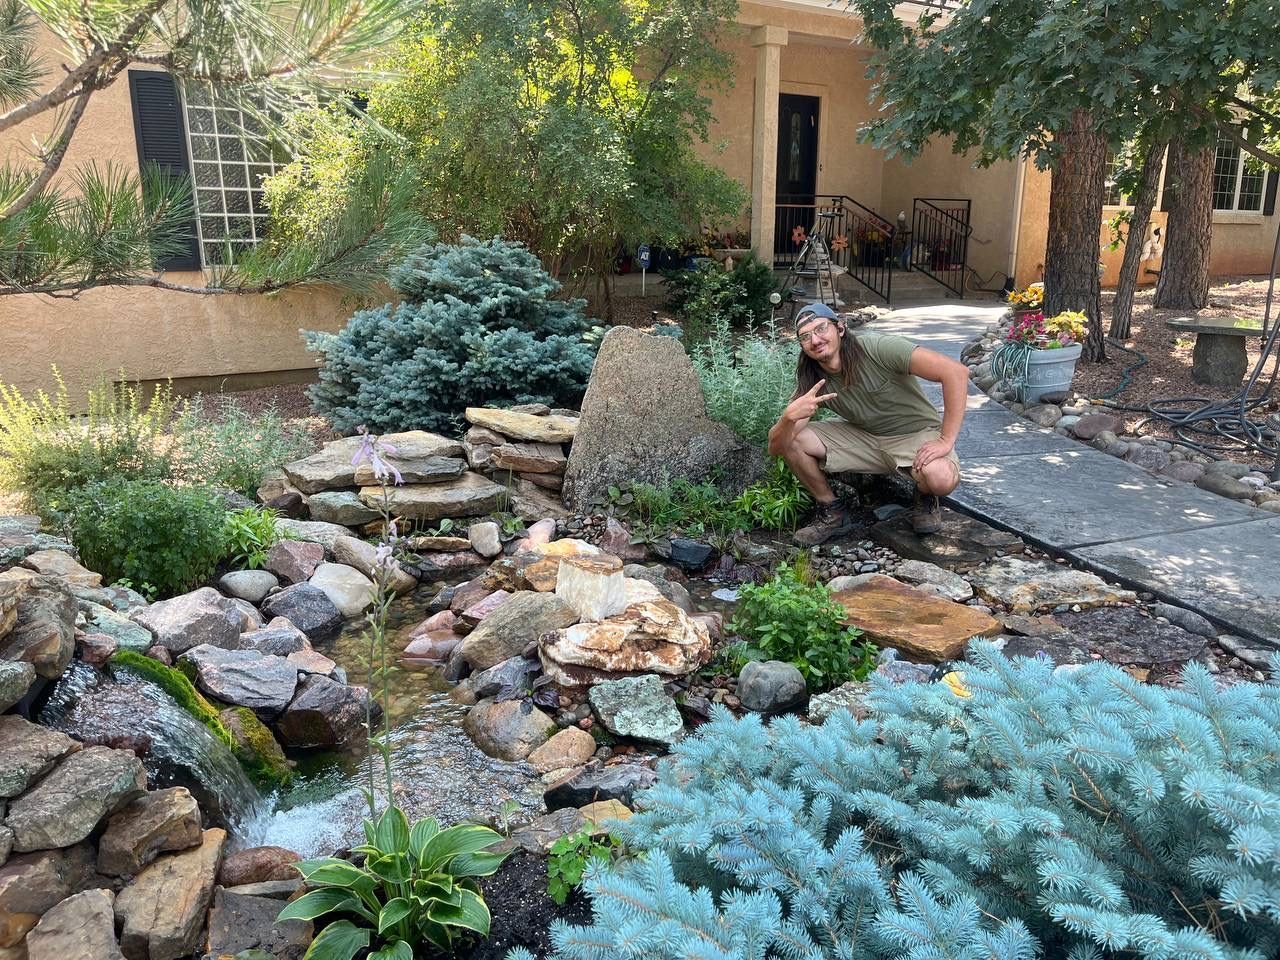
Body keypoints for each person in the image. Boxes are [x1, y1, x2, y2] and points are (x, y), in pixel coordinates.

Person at [767, 303, 968, 545]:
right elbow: (777, 447)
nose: (816, 340)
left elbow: (955, 372)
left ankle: (924, 497)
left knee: (941, 479)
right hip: (865, 439)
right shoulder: (812, 377)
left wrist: (946, 440)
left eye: (821, 329)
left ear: (840, 328)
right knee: (794, 438)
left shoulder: (877, 348)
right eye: (806, 337)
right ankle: (832, 510)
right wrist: (788, 418)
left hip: (916, 435)